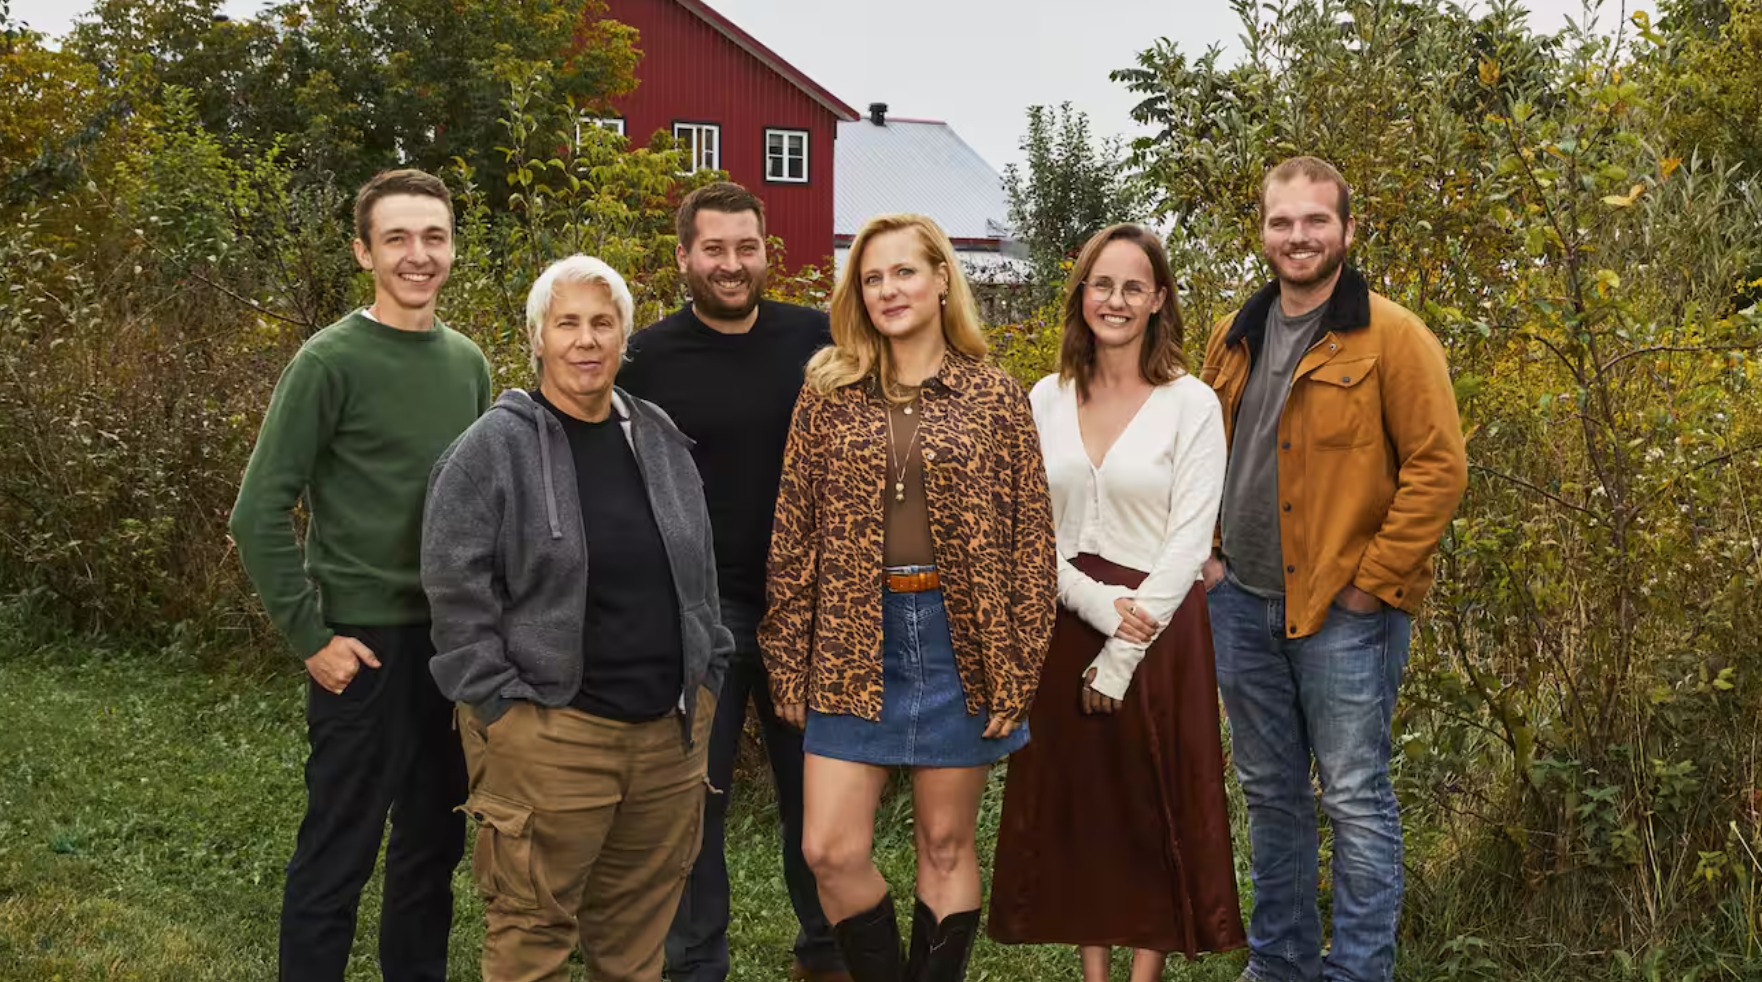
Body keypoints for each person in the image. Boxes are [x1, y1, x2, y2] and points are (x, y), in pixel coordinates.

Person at [761, 213, 1057, 982]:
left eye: (903, 272)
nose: (889, 289)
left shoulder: (995, 395)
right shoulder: (826, 392)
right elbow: (794, 532)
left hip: (962, 636)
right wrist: (786, 656)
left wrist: (1018, 667)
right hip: (852, 634)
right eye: (872, 277)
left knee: (947, 846)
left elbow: (1031, 542)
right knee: (829, 848)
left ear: (941, 279)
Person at [421, 255, 734, 982]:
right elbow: (452, 587)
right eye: (568, 323)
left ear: (625, 337)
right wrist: (502, 708)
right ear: (537, 337)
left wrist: (709, 671)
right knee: (531, 940)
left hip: (666, 740)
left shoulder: (657, 436)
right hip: (551, 736)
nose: (586, 340)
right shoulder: (492, 450)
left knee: (634, 949)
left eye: (603, 322)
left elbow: (702, 572)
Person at [1199, 156, 1467, 982]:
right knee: (1271, 793)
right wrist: (1206, 556)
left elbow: (1439, 468)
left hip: (1346, 616)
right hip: (1240, 603)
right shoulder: (1234, 332)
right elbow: (1202, 450)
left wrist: (1371, 584)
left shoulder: (1394, 337)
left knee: (1355, 799)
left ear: (1348, 230)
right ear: (1263, 232)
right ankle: (1279, 961)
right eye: (1283, 222)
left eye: (1316, 220)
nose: (1298, 236)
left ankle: (1357, 970)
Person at [229, 168, 490, 982]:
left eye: (434, 237)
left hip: (451, 648)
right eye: (398, 238)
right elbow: (258, 512)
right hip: (362, 650)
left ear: (453, 247)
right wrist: (313, 638)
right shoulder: (328, 361)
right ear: (363, 251)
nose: (419, 255)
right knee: (339, 852)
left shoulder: (469, 363)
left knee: (433, 848)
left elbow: (482, 506)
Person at [988, 224, 1246, 980]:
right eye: (1102, 284)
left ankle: (1143, 976)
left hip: (1162, 629)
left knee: (1150, 804)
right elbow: (1028, 530)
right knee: (1083, 810)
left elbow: (1191, 537)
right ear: (1081, 294)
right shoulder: (1046, 396)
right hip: (1065, 620)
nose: (1117, 300)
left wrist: (1123, 649)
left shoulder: (1191, 403)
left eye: (1135, 286)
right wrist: (1098, 609)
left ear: (1160, 299)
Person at [618, 182, 846, 982]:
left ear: (764, 250)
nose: (731, 264)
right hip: (694, 619)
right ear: (683, 256)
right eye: (713, 249)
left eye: (745, 247)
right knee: (694, 807)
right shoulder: (644, 358)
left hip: (802, 613)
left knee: (817, 803)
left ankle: (826, 953)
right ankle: (696, 967)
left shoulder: (816, 341)